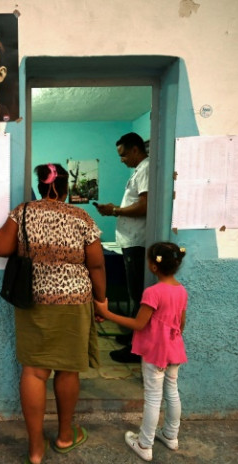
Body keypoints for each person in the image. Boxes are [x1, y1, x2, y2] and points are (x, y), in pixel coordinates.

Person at [0, 163, 107, 464]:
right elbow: (96, 265)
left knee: (34, 372)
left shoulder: (24, 212)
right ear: (66, 188)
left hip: (35, 300)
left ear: (40, 186)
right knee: (68, 370)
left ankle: (35, 449)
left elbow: (0, 248)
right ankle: (66, 436)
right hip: (75, 301)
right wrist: (102, 301)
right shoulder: (81, 217)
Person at [94, 242, 187, 462]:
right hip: (174, 349)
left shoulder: (153, 293)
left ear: (154, 267)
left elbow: (138, 324)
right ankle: (171, 436)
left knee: (153, 397)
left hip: (156, 352)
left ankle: (145, 444)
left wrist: (107, 314)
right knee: (172, 392)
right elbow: (181, 324)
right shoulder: (181, 290)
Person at [94, 132, 149, 363]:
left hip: (137, 243)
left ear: (135, 150)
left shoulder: (146, 169)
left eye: (123, 155)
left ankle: (137, 349)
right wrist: (115, 208)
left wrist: (115, 210)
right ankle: (132, 339)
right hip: (129, 242)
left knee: (138, 295)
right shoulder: (138, 170)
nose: (122, 160)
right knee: (133, 293)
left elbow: (145, 206)